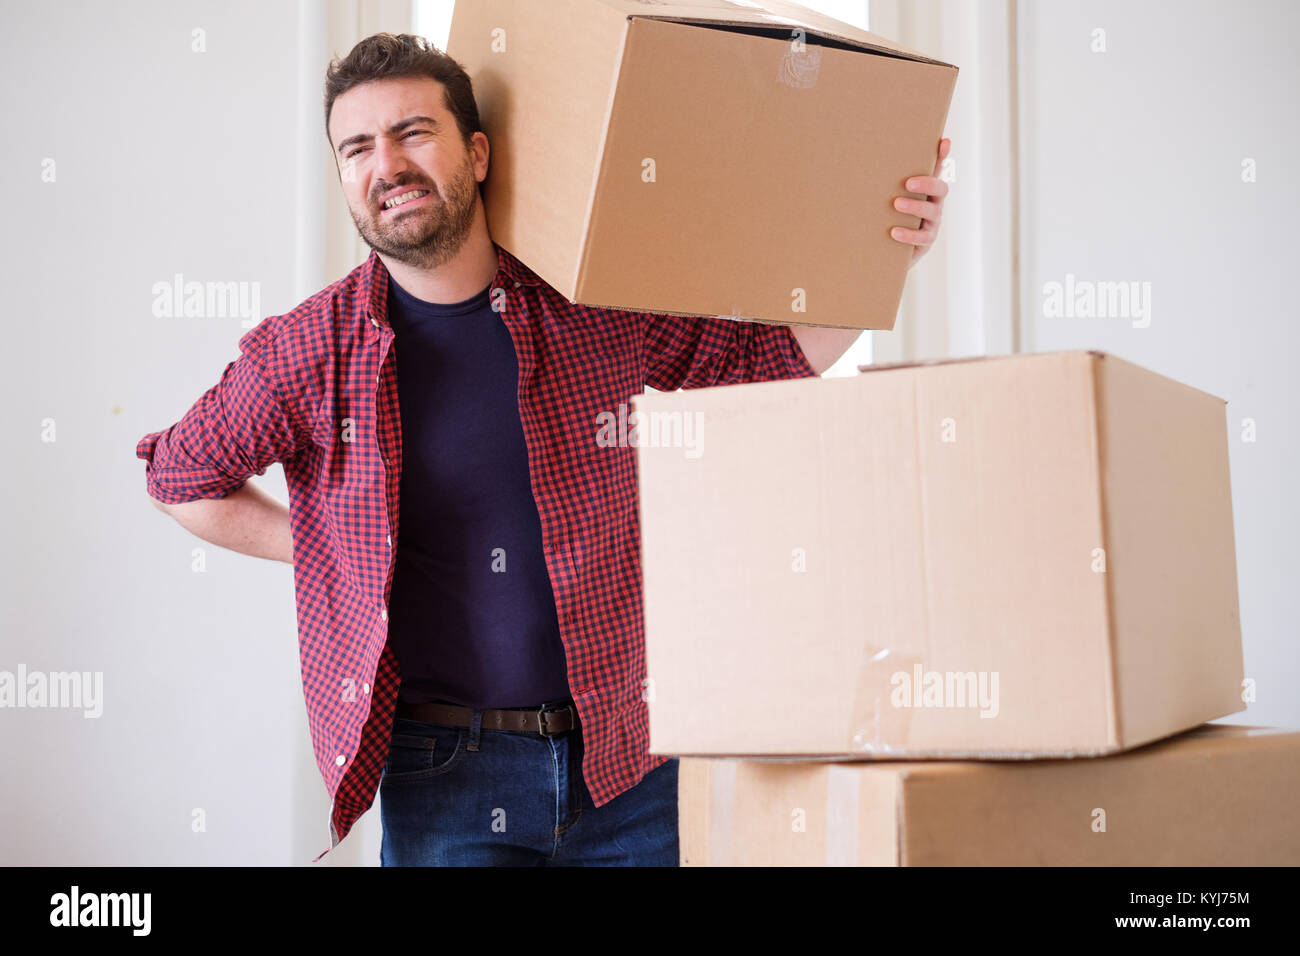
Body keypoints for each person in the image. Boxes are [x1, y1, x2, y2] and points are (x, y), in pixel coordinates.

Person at [137, 32, 950, 866]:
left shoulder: (590, 305)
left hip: (629, 766)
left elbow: (762, 361)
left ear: (476, 152)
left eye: (413, 132)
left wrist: (888, 252)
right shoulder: (309, 349)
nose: (387, 163)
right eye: (358, 147)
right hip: (444, 775)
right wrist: (330, 553)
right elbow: (181, 477)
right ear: (345, 177)